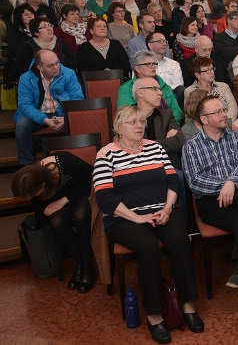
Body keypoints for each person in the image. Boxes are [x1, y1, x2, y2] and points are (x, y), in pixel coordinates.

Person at [94, 106, 203, 343]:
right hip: (124, 218)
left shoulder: (155, 147)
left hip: (161, 210)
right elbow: (105, 198)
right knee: (148, 247)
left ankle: (188, 306)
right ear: (118, 128)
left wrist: (168, 207)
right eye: (132, 122)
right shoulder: (106, 154)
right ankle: (155, 315)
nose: (139, 125)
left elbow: (173, 181)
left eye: (141, 121)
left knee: (180, 241)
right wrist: (138, 218)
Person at [182, 95, 238, 311]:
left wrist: (232, 183)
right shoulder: (191, 147)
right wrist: (229, 184)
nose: (225, 114)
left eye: (224, 110)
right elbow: (195, 182)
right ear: (204, 119)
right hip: (210, 203)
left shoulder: (235, 138)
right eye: (218, 112)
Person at [12, 151, 96, 292]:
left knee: (80, 215)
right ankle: (82, 264)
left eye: (32, 195)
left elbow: (92, 181)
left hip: (84, 191)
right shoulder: (32, 183)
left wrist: (63, 201)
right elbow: (40, 211)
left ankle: (87, 268)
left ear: (43, 185)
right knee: (56, 222)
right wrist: (35, 227)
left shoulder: (64, 162)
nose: (30, 198)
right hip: (62, 200)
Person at [14, 49, 84, 165]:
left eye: (57, 63)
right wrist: (45, 120)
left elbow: (78, 99)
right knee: (22, 125)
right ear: (39, 67)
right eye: (50, 66)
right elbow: (25, 105)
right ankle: (26, 164)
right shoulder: (26, 79)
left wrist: (66, 118)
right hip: (39, 114)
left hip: (62, 112)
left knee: (86, 117)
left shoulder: (69, 73)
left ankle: (79, 160)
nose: (56, 67)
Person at [118, 51, 182, 124]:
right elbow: (126, 115)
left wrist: (170, 126)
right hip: (142, 127)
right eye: (148, 64)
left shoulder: (164, 86)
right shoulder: (126, 89)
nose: (153, 66)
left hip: (169, 126)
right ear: (137, 68)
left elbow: (176, 111)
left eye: (154, 63)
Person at [185, 56, 238, 123]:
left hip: (228, 121)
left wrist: (227, 123)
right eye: (207, 70)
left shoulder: (223, 86)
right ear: (197, 75)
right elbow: (194, 116)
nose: (212, 72)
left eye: (212, 69)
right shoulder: (190, 91)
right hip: (205, 127)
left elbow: (233, 107)